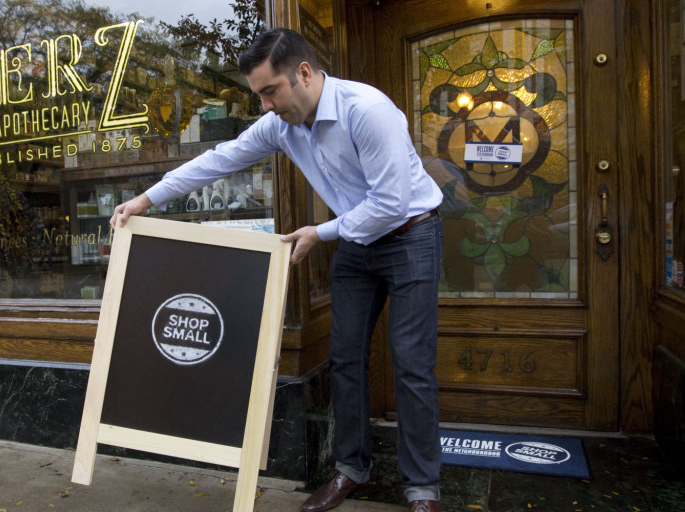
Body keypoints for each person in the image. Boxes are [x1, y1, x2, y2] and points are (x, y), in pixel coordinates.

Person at [110, 28, 444, 512]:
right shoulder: (280, 126)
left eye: (271, 91)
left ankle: (422, 491)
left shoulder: (367, 111)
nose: (266, 105)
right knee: (346, 360)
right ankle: (351, 470)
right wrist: (146, 198)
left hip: (410, 233)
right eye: (258, 94)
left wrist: (320, 233)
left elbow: (391, 204)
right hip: (354, 239)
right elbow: (219, 159)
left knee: (412, 366)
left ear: (303, 73)